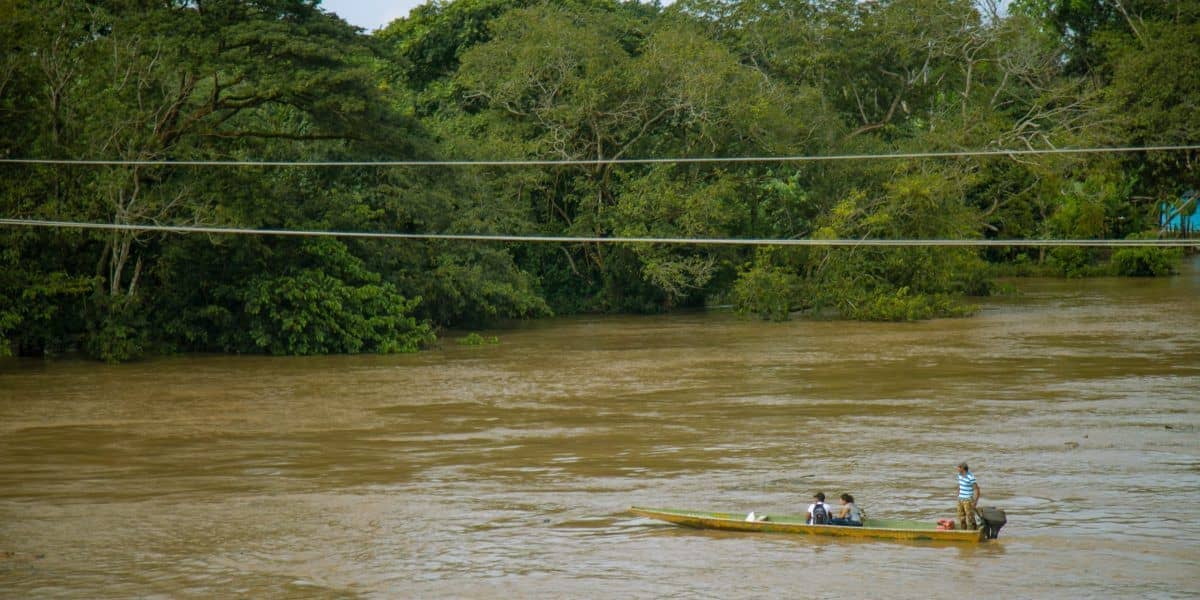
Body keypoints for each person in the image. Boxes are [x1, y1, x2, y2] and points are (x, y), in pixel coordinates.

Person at [956, 462, 980, 530]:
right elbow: (959, 485)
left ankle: (974, 531)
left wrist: (975, 501)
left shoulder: (970, 477)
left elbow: (977, 489)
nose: (957, 469)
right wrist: (958, 495)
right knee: (961, 517)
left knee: (970, 518)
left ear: (962, 469)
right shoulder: (959, 475)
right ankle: (964, 532)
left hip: (968, 500)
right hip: (960, 499)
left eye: (958, 468)